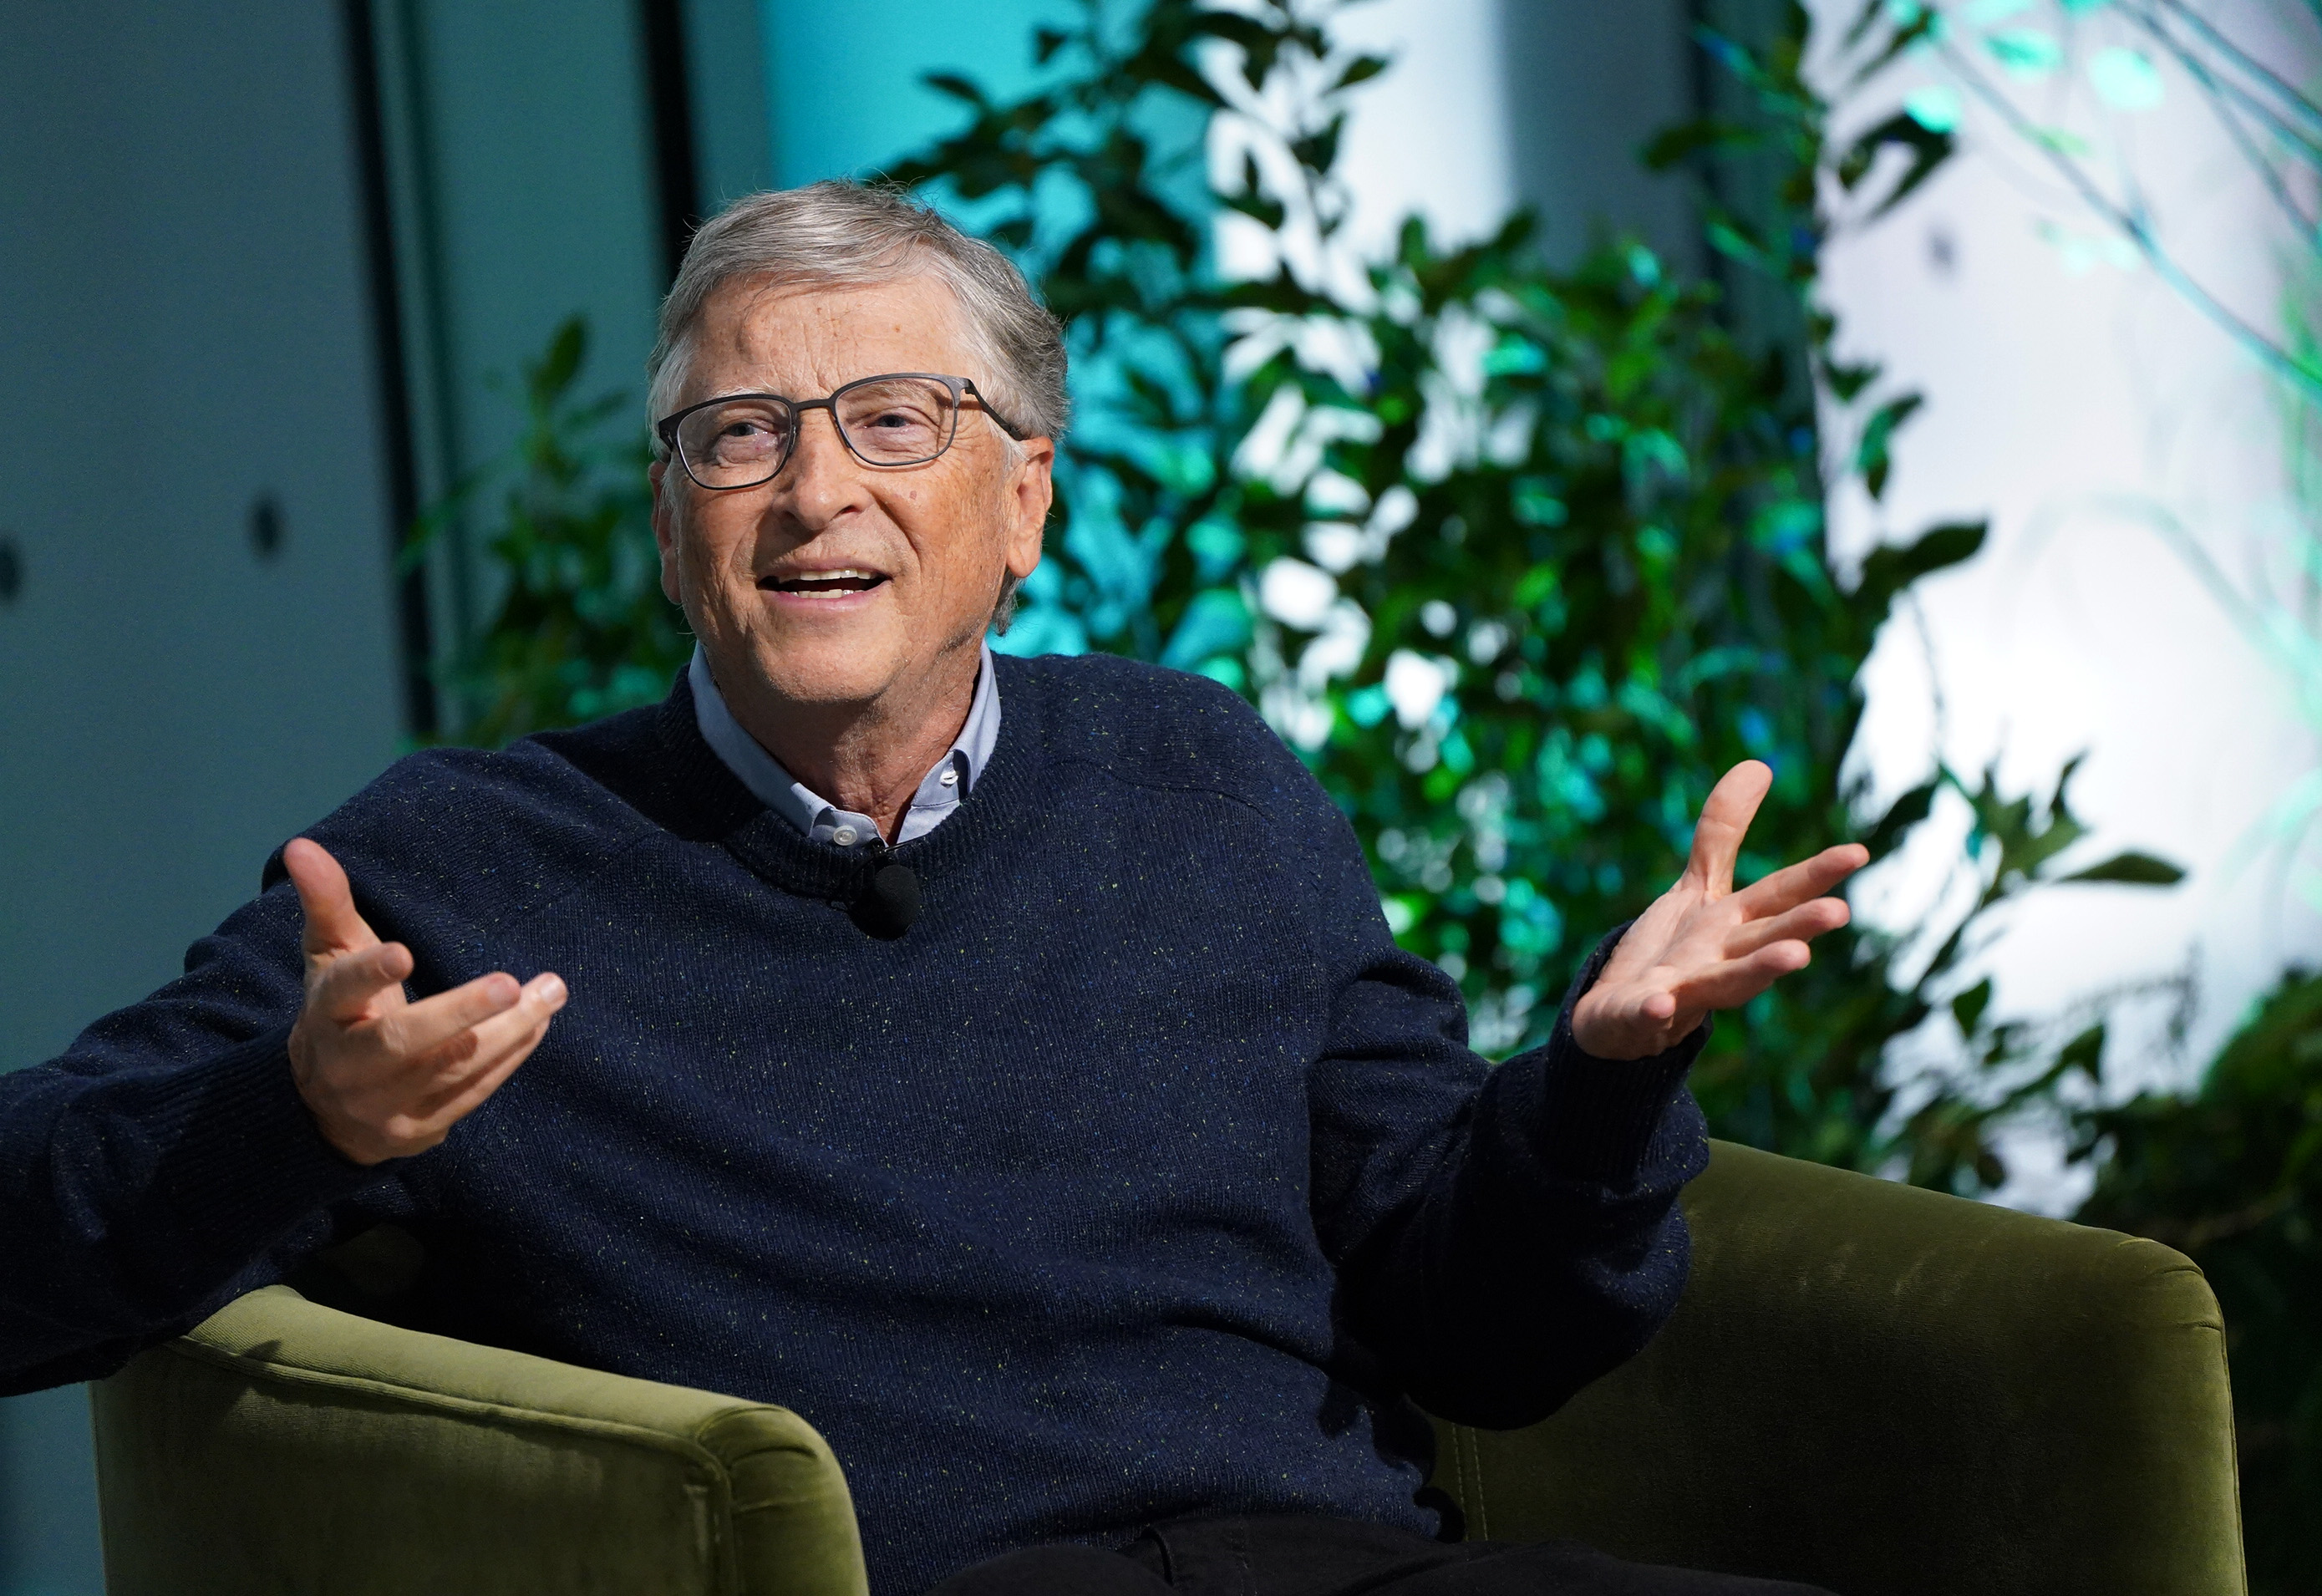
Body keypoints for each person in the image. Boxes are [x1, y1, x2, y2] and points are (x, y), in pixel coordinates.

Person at [0, 182, 1864, 1596]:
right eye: (743, 436)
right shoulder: (454, 869)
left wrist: (1603, 1083)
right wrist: (294, 1117)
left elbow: (1478, 1334)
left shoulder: (1200, 776)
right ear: (671, 528)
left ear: (1027, 503)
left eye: (896, 419)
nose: (817, 492)